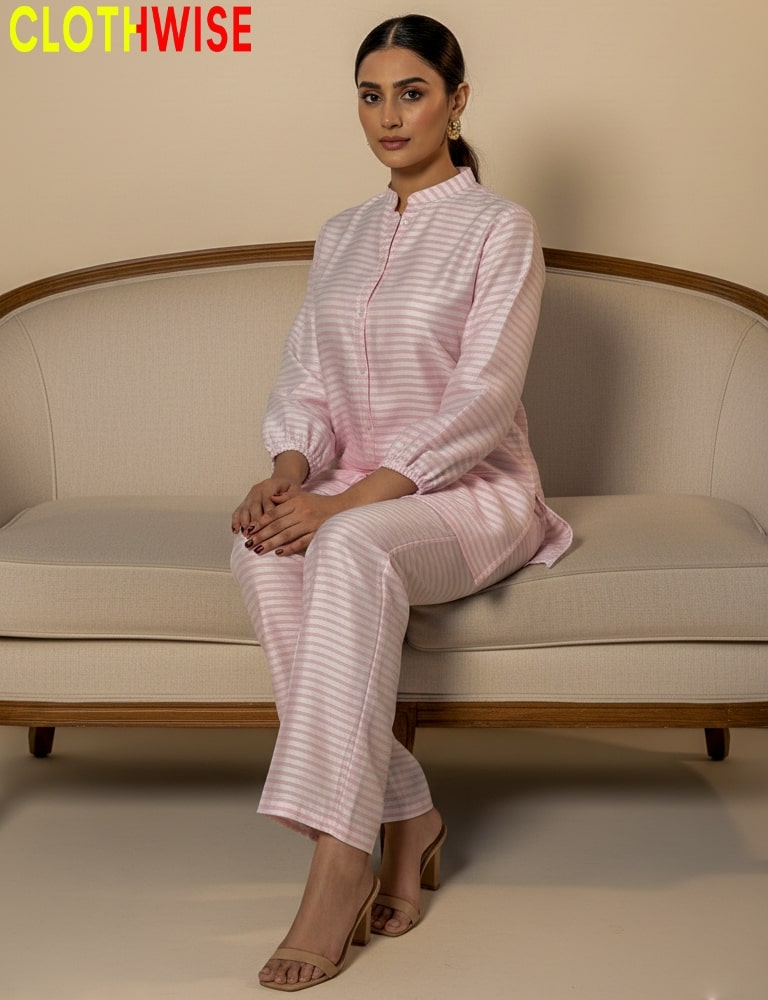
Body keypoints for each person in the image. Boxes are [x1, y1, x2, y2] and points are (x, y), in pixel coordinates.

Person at [230, 13, 572, 991]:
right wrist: (291, 474)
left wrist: (347, 509)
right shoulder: (340, 234)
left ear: (456, 102)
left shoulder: (500, 227)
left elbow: (484, 398)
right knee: (262, 546)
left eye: (411, 91)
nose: (389, 114)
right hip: (349, 491)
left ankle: (340, 863)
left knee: (345, 549)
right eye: (371, 94)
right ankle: (409, 809)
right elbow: (305, 381)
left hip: (472, 496)